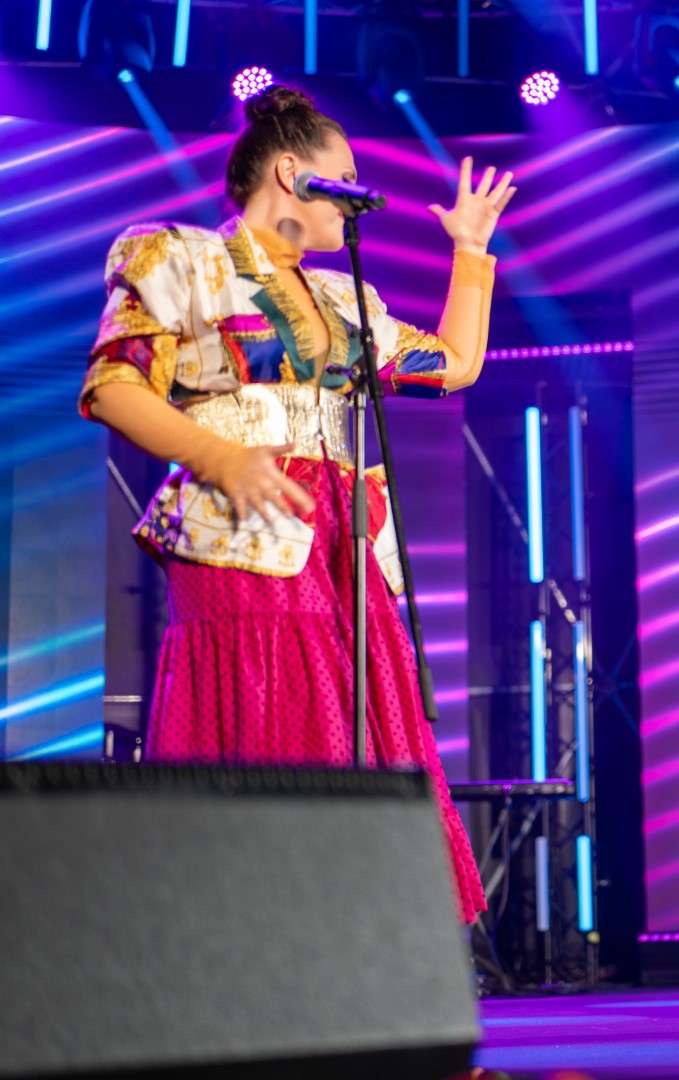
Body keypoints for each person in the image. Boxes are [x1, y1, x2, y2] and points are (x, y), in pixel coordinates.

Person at [79, 86, 516, 923]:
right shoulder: (180, 259)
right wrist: (219, 456)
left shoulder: (347, 297)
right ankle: (261, 926)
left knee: (360, 721)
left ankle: (359, 934)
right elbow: (112, 387)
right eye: (343, 176)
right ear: (290, 172)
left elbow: (453, 365)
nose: (355, 197)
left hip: (342, 541)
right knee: (275, 715)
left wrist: (470, 253)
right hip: (239, 529)